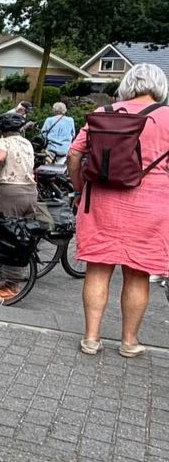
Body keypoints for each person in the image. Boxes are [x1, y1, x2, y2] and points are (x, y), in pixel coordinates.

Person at [67, 63, 169, 358]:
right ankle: (129, 342)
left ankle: (91, 338)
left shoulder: (104, 112)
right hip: (151, 206)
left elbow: (74, 154)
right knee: (137, 275)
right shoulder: (166, 117)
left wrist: (79, 188)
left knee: (98, 269)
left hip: (101, 202)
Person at [0, 111, 37, 303]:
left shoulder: (2, 142)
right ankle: (15, 278)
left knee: (9, 237)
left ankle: (11, 286)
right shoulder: (26, 143)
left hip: (10, 192)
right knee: (21, 237)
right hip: (30, 192)